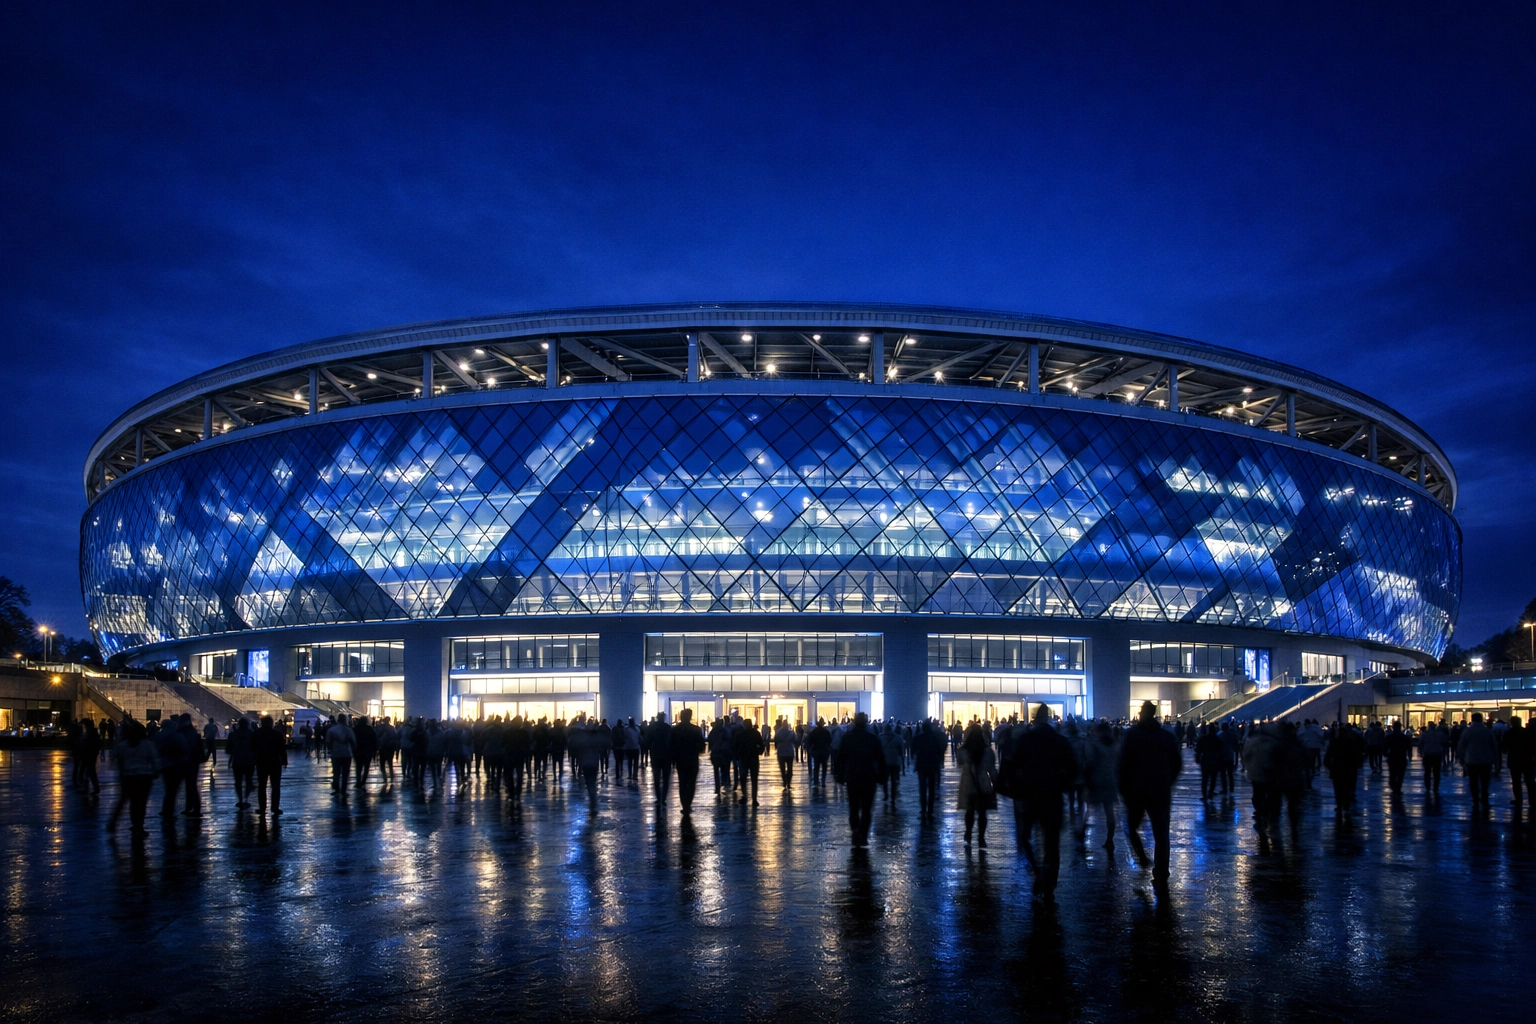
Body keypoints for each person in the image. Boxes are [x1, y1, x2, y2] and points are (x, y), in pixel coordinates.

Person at [1007, 703, 1078, 899]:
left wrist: (1019, 788)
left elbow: (1013, 766)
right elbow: (1073, 768)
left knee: (1025, 836)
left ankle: (1038, 872)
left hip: (1030, 795)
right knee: (1051, 841)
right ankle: (1049, 883)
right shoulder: (1059, 741)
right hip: (1052, 796)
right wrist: (1060, 783)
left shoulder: (1026, 740)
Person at [1118, 701, 1181, 889]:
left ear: (1142, 713)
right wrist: (1167, 781)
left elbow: (1123, 764)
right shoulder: (1166, 737)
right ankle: (1161, 873)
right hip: (1160, 790)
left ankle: (1142, 858)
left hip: (1137, 790)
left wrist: (1124, 788)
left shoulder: (1132, 736)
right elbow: (1177, 763)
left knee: (1131, 827)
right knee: (1161, 834)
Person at [834, 712, 887, 848]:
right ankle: (863, 834)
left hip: (852, 776)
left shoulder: (847, 737)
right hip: (869, 776)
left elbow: (841, 759)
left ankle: (855, 830)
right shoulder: (872, 738)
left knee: (853, 807)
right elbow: (880, 759)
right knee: (867, 808)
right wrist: (882, 776)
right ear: (866, 722)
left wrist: (839, 775)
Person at [106, 719, 161, 835]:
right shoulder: (147, 745)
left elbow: (119, 761)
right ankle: (138, 825)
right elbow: (154, 759)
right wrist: (156, 771)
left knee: (125, 800)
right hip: (144, 776)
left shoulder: (123, 745)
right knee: (141, 802)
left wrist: (121, 774)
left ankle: (114, 822)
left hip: (128, 776)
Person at [1078, 720, 1119, 849]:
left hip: (1097, 779)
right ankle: (1109, 839)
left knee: (1089, 809)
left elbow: (1090, 762)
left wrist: (1086, 779)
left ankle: (1082, 834)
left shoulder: (1095, 744)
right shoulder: (1115, 745)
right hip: (1111, 780)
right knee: (1109, 811)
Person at [956, 724, 997, 847]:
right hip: (983, 783)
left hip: (968, 783)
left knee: (970, 811)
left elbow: (959, 762)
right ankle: (981, 838)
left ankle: (968, 834)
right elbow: (992, 769)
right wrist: (996, 784)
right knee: (982, 813)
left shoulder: (963, 751)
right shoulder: (987, 751)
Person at [668, 708, 707, 817]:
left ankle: (684, 804)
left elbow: (671, 745)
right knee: (691, 783)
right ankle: (688, 803)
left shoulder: (675, 730)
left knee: (682, 782)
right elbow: (701, 746)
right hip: (692, 759)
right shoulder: (696, 730)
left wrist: (673, 758)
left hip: (680, 759)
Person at [1324, 720, 1366, 816]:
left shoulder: (1335, 742)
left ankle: (1339, 805)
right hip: (1349, 768)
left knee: (1338, 788)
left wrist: (1330, 767)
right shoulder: (1351, 742)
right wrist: (1357, 764)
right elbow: (1358, 755)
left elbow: (1328, 756)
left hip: (1337, 768)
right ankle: (1346, 804)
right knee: (1347, 787)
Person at [1458, 712, 1497, 812]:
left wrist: (1461, 759)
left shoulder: (1467, 731)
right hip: (1486, 760)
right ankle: (1484, 798)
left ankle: (1475, 799)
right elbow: (1494, 746)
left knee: (1473, 781)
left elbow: (1462, 746)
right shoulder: (1487, 731)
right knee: (1485, 782)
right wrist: (1496, 760)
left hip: (1471, 759)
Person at [252, 715, 287, 816]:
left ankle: (262, 808)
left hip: (261, 761)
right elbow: (282, 749)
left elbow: (252, 748)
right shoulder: (277, 734)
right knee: (276, 786)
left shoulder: (257, 733)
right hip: (275, 761)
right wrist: (284, 761)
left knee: (262, 786)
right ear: (272, 723)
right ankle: (275, 807)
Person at [911, 720, 947, 820]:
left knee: (922, 789)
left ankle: (923, 810)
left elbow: (912, 750)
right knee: (931, 789)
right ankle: (930, 810)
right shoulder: (935, 738)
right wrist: (939, 761)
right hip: (932, 765)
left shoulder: (918, 738)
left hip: (921, 765)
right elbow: (940, 751)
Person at [731, 718, 765, 806]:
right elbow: (761, 745)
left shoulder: (740, 734)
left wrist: (737, 756)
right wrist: (759, 751)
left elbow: (735, 746)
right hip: (753, 758)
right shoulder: (755, 733)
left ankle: (745, 796)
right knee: (754, 779)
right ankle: (754, 798)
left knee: (743, 778)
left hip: (743, 758)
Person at [1506, 716, 1534, 819]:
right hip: (1527, 759)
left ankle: (1518, 798)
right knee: (1530, 780)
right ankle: (1532, 799)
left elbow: (1505, 746)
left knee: (1516, 780)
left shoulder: (1509, 733)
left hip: (1514, 760)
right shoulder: (1527, 732)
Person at [227, 717, 256, 808]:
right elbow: (255, 748)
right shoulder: (252, 735)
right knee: (248, 780)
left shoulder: (232, 735)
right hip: (249, 761)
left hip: (237, 761)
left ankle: (240, 799)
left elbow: (228, 749)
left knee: (238, 781)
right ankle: (246, 799)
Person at [328, 715, 357, 797]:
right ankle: (343, 790)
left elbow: (328, 741)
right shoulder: (349, 730)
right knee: (345, 773)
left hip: (336, 754)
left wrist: (331, 750)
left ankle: (336, 790)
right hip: (347, 753)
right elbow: (354, 742)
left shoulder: (332, 730)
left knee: (336, 772)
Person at [649, 712, 673, 806]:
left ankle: (658, 797)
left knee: (656, 778)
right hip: (666, 755)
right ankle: (663, 798)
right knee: (666, 778)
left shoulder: (653, 727)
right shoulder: (667, 728)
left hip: (655, 754)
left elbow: (648, 740)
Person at [1419, 718, 1446, 797]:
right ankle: (1435, 787)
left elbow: (1421, 743)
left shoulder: (1425, 733)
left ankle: (1428, 787)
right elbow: (1444, 741)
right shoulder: (1440, 733)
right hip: (1437, 754)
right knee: (1436, 772)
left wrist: (1421, 752)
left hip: (1428, 754)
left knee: (1427, 772)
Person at [1384, 721, 1413, 795]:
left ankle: (1394, 787)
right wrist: (1410, 756)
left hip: (1392, 756)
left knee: (1392, 773)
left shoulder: (1389, 736)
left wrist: (1385, 754)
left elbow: (1385, 747)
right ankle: (1398, 788)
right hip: (1402, 757)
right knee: (1400, 774)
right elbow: (1409, 747)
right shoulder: (1404, 737)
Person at [707, 718, 733, 796]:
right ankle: (725, 781)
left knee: (716, 770)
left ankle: (717, 787)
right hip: (724, 752)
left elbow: (709, 739)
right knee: (724, 768)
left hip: (715, 752)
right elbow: (729, 739)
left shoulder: (713, 731)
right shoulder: (725, 730)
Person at [879, 722, 904, 804]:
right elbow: (901, 751)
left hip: (884, 761)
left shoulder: (880, 738)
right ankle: (893, 796)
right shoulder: (898, 738)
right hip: (894, 761)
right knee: (893, 780)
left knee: (884, 780)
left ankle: (886, 794)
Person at [775, 718, 800, 789]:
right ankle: (789, 783)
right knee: (790, 768)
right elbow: (795, 741)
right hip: (790, 752)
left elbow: (776, 741)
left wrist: (777, 747)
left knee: (782, 768)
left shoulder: (779, 732)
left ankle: (784, 781)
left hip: (781, 752)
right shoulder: (791, 732)